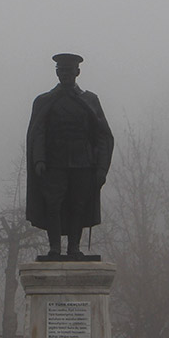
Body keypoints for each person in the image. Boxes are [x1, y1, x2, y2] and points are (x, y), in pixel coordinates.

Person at [25, 53, 113, 260]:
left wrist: (101, 168)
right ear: (57, 73)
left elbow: (102, 134)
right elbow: (38, 132)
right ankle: (54, 247)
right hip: (54, 163)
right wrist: (39, 159)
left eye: (68, 70)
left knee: (78, 204)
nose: (64, 74)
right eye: (61, 71)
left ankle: (74, 247)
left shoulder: (89, 100)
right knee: (53, 204)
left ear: (77, 72)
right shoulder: (45, 101)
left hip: (83, 163)